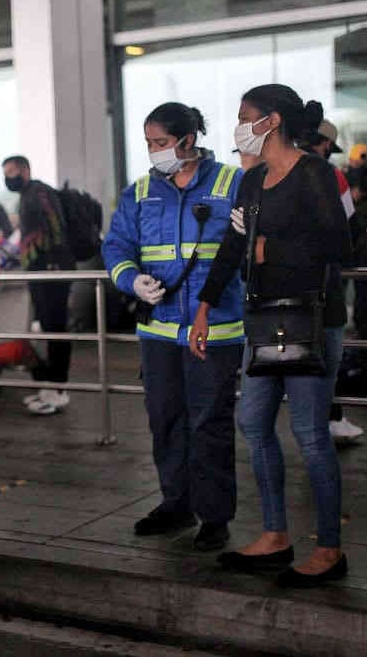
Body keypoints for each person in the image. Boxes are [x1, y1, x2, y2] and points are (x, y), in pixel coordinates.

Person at [192, 84, 354, 587]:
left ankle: (329, 548)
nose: (238, 126)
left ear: (272, 121)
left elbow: (340, 245)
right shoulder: (253, 180)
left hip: (311, 318)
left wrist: (272, 252)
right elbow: (233, 244)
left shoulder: (315, 174)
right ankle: (275, 535)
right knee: (253, 422)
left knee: (309, 433)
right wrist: (203, 305)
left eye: (245, 116)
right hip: (262, 319)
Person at [102, 103, 245, 552]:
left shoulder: (230, 183)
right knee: (165, 421)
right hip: (159, 331)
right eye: (148, 143)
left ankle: (215, 517)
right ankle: (176, 503)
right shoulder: (140, 192)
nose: (153, 151)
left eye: (160, 143)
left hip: (216, 329)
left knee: (210, 425)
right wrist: (132, 280)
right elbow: (116, 246)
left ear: (187, 140)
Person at [298, 117, 364, 445]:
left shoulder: (269, 171)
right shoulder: (332, 174)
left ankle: (321, 419)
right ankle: (329, 419)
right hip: (322, 283)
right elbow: (350, 226)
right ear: (323, 143)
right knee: (323, 354)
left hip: (275, 287)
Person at [2, 155, 76, 415]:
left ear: (24, 169)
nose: (8, 177)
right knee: (47, 327)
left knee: (55, 328)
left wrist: (54, 263)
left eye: (11, 171)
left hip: (51, 270)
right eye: (5, 173)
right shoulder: (26, 195)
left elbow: (56, 226)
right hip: (39, 270)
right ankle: (49, 387)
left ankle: (58, 390)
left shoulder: (39, 191)